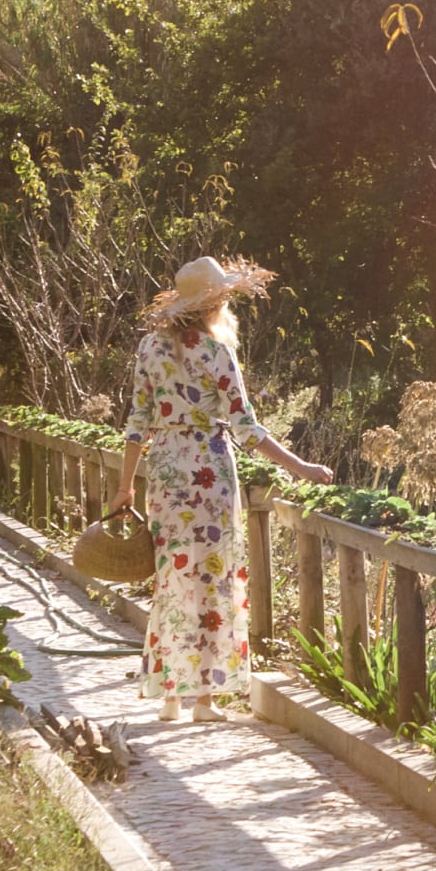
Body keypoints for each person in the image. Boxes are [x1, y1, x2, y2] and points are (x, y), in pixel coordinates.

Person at [117, 257, 331, 720]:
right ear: (214, 304)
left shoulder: (150, 349)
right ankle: (206, 701)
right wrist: (300, 467)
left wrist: (123, 488)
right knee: (212, 581)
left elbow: (137, 424)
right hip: (210, 471)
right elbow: (247, 429)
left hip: (167, 470)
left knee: (173, 578)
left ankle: (172, 696)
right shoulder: (216, 353)